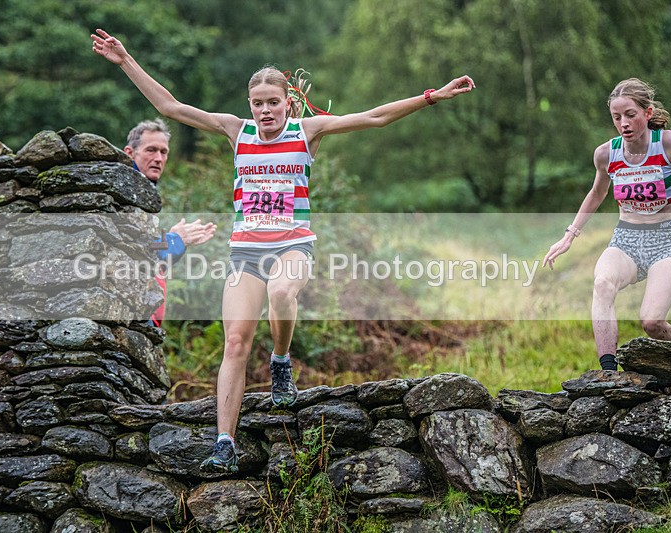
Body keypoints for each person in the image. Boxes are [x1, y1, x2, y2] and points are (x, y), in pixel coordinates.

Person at [92, 27, 475, 472]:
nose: (265, 110)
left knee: (280, 293)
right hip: (245, 252)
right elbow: (170, 107)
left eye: (273, 102)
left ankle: (279, 362)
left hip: (293, 245)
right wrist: (126, 61)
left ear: (287, 103)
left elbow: (374, 117)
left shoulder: (306, 131)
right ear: (249, 105)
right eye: (258, 103)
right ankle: (223, 443)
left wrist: (431, 96)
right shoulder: (235, 131)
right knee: (234, 342)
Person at [543, 78, 671, 371]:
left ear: (647, 112)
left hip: (666, 241)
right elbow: (597, 193)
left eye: (630, 114)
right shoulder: (606, 154)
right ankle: (609, 373)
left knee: (652, 322)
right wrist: (569, 237)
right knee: (603, 283)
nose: (624, 123)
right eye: (617, 117)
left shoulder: (670, 143)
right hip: (626, 239)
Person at [126, 118, 217, 326]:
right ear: (130, 153)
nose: (158, 158)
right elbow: (136, 250)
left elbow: (149, 248)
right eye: (151, 150)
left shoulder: (143, 193)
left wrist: (174, 238)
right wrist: (176, 240)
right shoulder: (125, 193)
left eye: (163, 152)